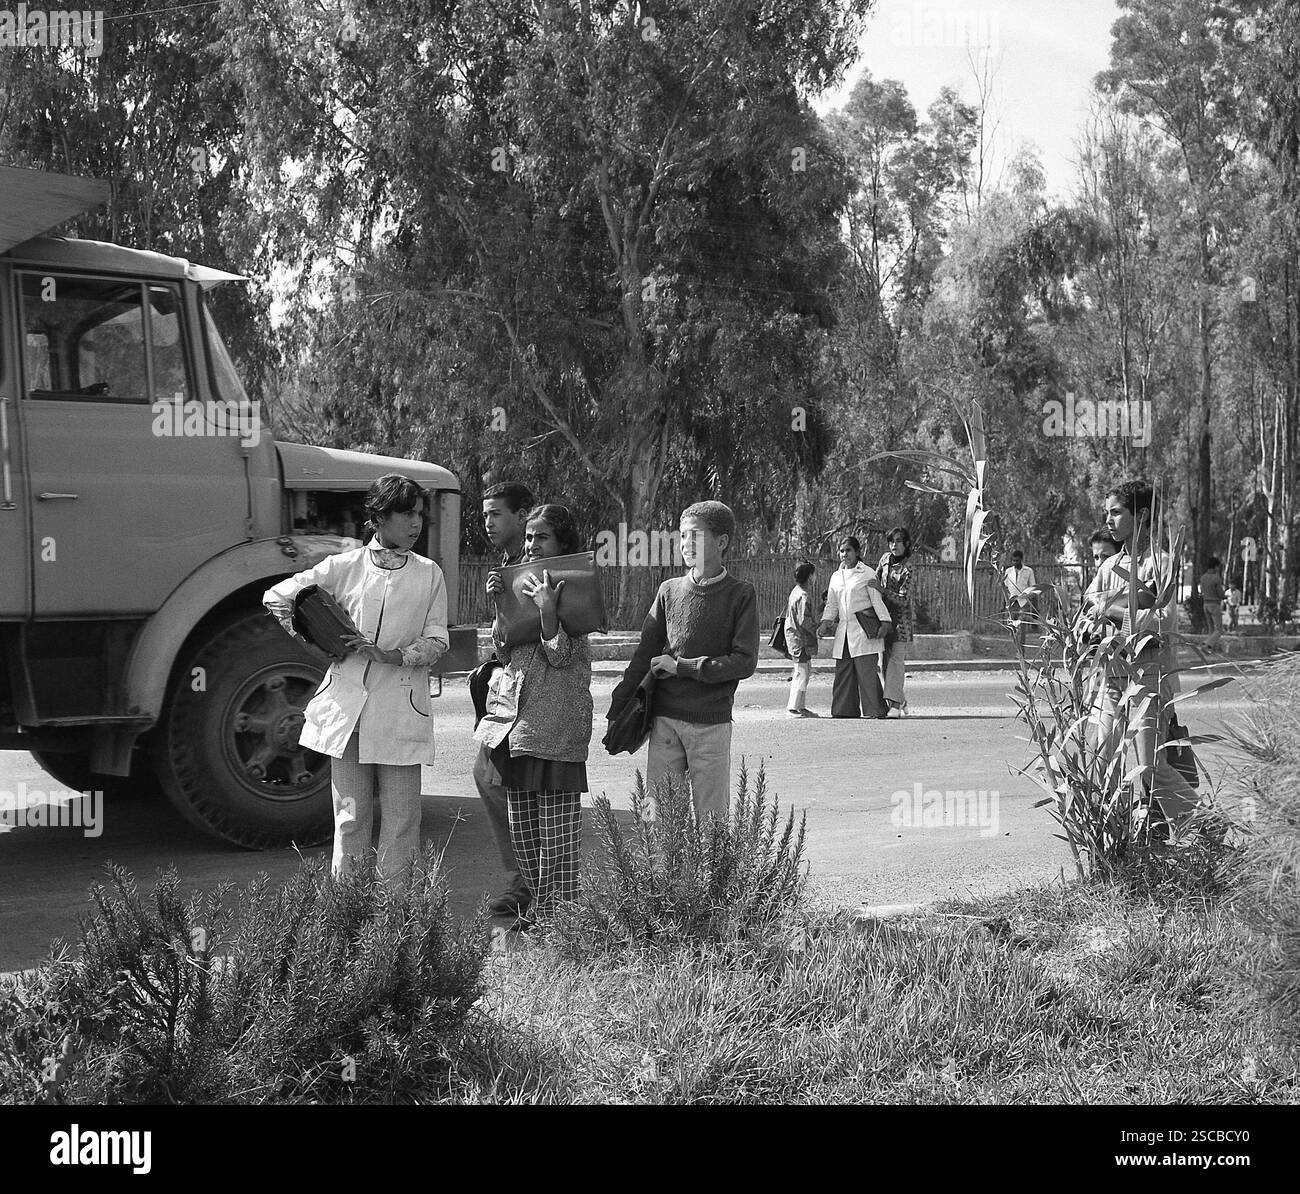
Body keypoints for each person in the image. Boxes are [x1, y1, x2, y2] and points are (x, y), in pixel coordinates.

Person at [263, 474, 448, 884]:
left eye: (419, 515)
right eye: (406, 514)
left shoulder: (429, 573)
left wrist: (393, 655)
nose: (415, 524)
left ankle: (391, 927)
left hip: (402, 710)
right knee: (350, 820)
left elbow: (438, 640)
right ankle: (347, 919)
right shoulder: (342, 566)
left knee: (402, 822)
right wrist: (314, 645)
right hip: (347, 713)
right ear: (379, 517)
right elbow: (277, 597)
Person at [474, 504, 592, 923]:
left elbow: (562, 655)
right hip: (518, 729)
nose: (530, 544)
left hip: (558, 732)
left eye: (540, 537)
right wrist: (501, 604)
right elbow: (506, 652)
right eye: (528, 538)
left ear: (561, 544)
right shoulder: (521, 585)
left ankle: (562, 923)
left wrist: (547, 611)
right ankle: (540, 910)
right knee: (524, 838)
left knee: (558, 843)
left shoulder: (576, 588)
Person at [608, 500, 759, 824]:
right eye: (682, 536)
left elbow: (744, 662)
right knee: (659, 819)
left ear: (722, 542)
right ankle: (661, 877)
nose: (686, 544)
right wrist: (618, 708)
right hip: (664, 723)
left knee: (712, 823)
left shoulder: (741, 594)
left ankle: (711, 878)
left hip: (712, 725)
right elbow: (643, 655)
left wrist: (685, 667)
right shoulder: (669, 591)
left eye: (696, 536)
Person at [1082, 479, 1198, 833]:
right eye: (1107, 513)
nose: (1110, 520)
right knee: (1101, 755)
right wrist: (1092, 625)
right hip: (1111, 676)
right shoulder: (1108, 566)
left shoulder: (1160, 563)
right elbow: (1089, 611)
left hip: (1148, 677)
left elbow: (1163, 621)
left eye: (1117, 512)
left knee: (1149, 767)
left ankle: (1206, 826)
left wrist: (1115, 611)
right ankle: (1116, 837)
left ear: (1142, 514)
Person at [474, 481, 535, 918]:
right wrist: (498, 602)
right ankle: (523, 880)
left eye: (497, 514)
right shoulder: (507, 565)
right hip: (507, 690)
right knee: (489, 776)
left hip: (536, 694)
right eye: (486, 515)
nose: (489, 523)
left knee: (514, 785)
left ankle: (532, 885)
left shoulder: (537, 565)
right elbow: (503, 643)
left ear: (522, 515)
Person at [816, 536, 893, 719]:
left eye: (848, 550)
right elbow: (832, 604)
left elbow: (876, 600)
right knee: (843, 672)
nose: (845, 554)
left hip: (863, 631)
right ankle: (844, 710)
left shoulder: (867, 573)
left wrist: (885, 622)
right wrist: (825, 622)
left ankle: (875, 710)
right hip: (843, 631)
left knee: (866, 672)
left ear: (857, 552)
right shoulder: (836, 576)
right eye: (842, 551)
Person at [876, 527, 913, 716]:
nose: (894, 545)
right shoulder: (884, 560)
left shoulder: (909, 569)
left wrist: (883, 592)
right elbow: (874, 579)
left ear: (906, 544)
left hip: (901, 625)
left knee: (896, 663)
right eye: (891, 541)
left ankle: (896, 705)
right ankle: (901, 699)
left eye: (898, 541)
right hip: (883, 621)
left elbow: (903, 599)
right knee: (884, 665)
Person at [784, 562, 818, 717]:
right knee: (801, 672)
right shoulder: (803, 596)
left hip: (795, 637)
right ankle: (793, 707)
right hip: (801, 639)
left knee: (804, 670)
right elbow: (805, 620)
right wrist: (818, 628)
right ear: (810, 576)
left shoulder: (796, 592)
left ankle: (800, 706)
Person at [1004, 551, 1037, 651]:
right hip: (1012, 603)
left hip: (1023, 603)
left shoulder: (1028, 571)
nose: (1015, 562)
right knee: (1012, 628)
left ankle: (1021, 652)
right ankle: (1016, 649)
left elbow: (1033, 588)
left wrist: (1030, 600)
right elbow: (1005, 587)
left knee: (1021, 628)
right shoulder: (1008, 571)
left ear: (1021, 560)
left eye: (1017, 561)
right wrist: (1005, 602)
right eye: (1013, 560)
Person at [1198, 556, 1225, 652]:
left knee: (1211, 629)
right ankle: (1206, 644)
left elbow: (1202, 591)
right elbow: (1220, 594)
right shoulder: (1216, 578)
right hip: (1215, 604)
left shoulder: (1203, 578)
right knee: (1219, 630)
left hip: (1205, 604)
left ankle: (1209, 649)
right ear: (1216, 566)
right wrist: (1225, 595)